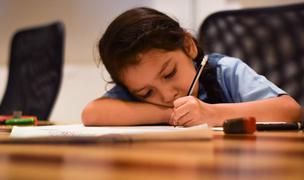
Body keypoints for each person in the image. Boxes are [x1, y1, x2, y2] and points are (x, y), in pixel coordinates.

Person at [82, 7, 302, 127]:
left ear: (188, 46)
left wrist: (210, 113)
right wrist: (168, 115)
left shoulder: (225, 71)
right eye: (146, 92)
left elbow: (290, 110)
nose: (167, 95)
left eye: (169, 74)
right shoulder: (137, 86)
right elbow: (92, 114)